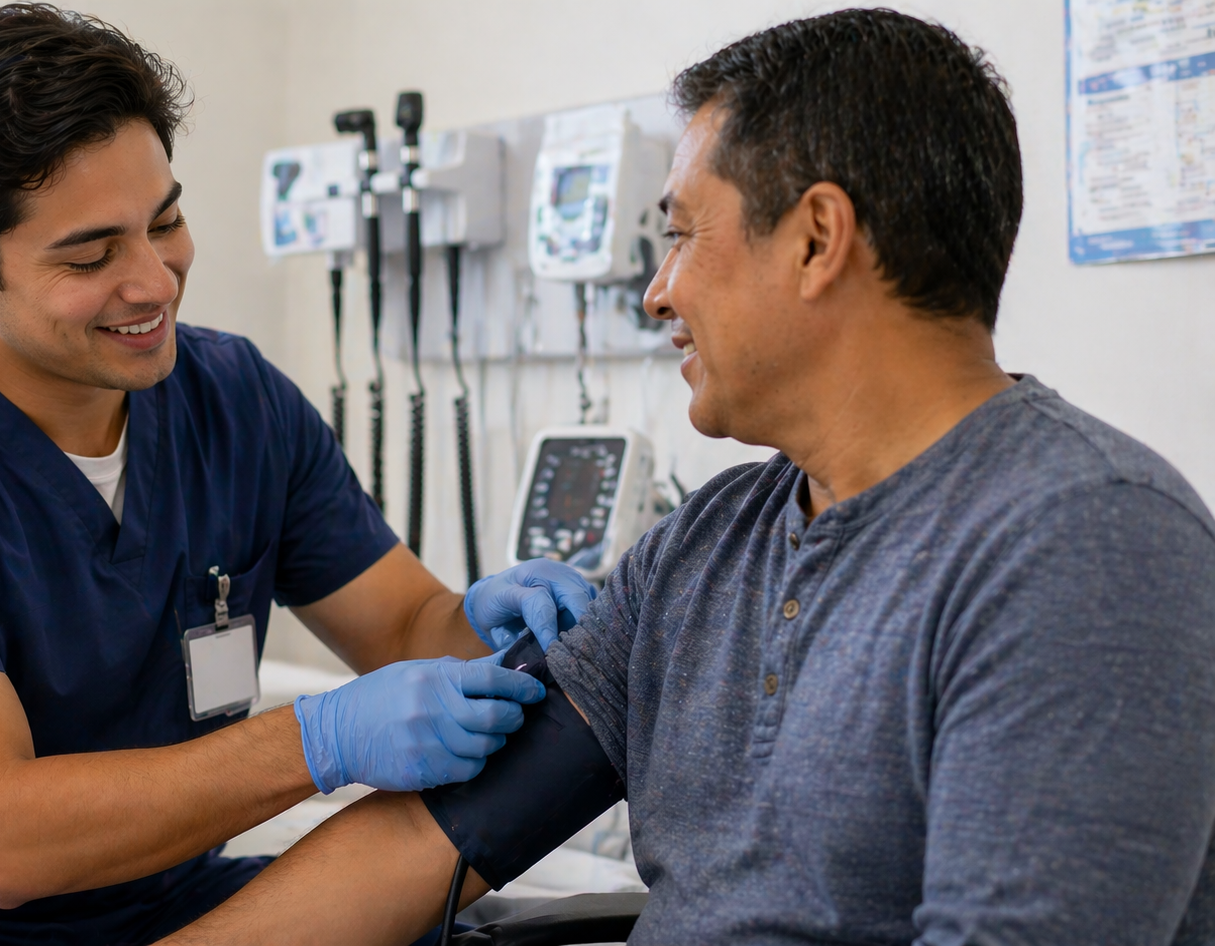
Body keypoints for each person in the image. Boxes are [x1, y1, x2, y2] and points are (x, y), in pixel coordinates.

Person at [156, 9, 1215, 946]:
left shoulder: (1084, 544)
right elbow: (420, 849)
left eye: (679, 234)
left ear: (814, 240)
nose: (656, 293)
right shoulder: (705, 546)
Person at [0, 5, 596, 945]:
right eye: (90, 255)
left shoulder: (236, 400)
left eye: (164, 220)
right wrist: (319, 740)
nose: (155, 281)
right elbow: (1, 838)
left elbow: (407, 627)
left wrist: (485, 622)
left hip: (150, 904)